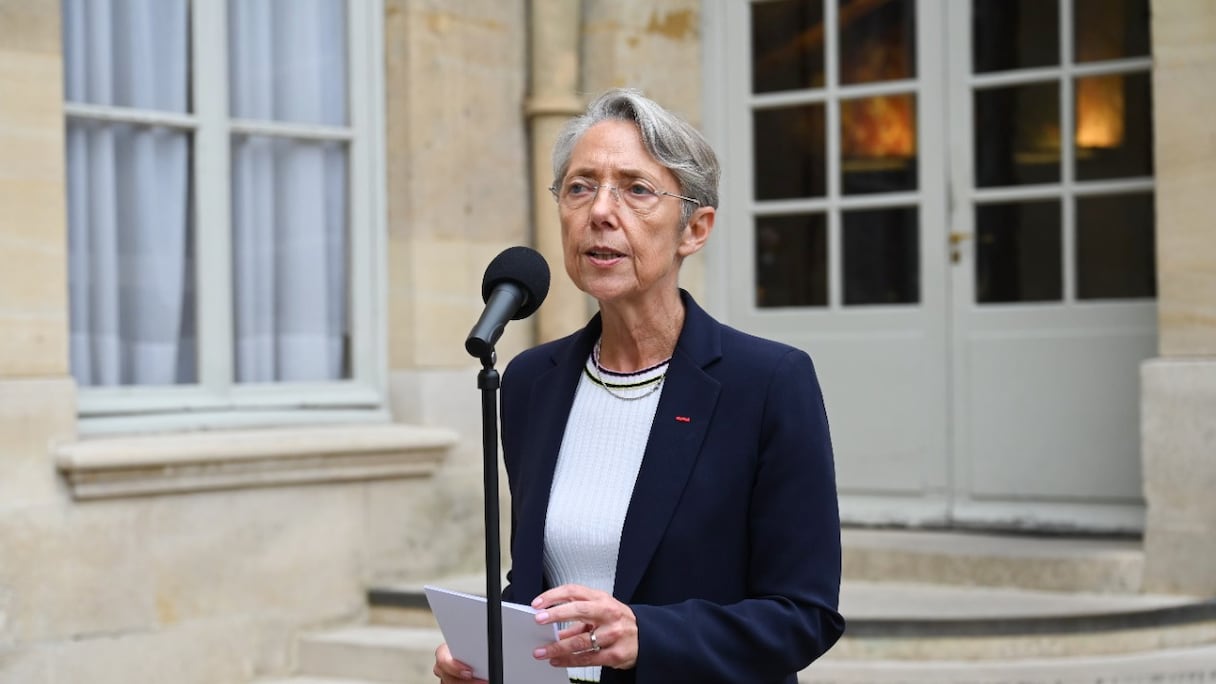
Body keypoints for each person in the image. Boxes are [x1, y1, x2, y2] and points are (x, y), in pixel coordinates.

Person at [434, 88, 844, 684]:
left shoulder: (768, 384)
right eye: (580, 186)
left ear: (694, 229)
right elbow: (537, 585)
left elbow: (804, 615)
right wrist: (489, 650)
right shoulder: (529, 383)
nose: (601, 210)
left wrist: (645, 636)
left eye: (635, 189)